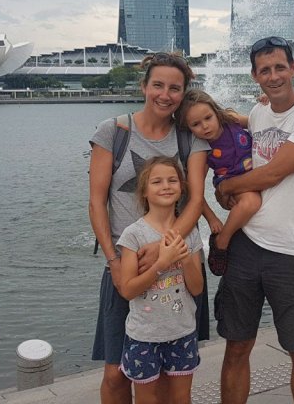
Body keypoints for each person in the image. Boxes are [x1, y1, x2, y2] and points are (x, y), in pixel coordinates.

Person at [213, 36, 294, 404]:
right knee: (236, 345)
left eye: (280, 67)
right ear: (255, 76)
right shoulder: (259, 112)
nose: (274, 76)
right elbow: (240, 124)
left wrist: (225, 187)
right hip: (245, 245)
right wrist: (225, 115)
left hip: (290, 251)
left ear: (293, 69)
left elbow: (272, 174)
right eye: (265, 70)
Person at [88, 52, 211, 404]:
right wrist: (113, 260)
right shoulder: (113, 131)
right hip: (124, 264)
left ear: (183, 92)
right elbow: (97, 202)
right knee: (115, 373)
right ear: (144, 86)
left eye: (175, 88)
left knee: (172, 378)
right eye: (158, 85)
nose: (165, 95)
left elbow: (196, 200)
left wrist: (162, 248)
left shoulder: (189, 138)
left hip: (180, 261)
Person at [116, 156, 204, 404]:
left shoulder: (190, 232)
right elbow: (128, 290)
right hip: (144, 334)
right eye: (156, 182)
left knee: (181, 397)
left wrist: (184, 258)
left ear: (181, 188)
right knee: (147, 399)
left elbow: (197, 288)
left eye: (172, 180)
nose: (166, 186)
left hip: (182, 331)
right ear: (144, 191)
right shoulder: (133, 235)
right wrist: (161, 264)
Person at [176, 88, 261, 274]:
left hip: (257, 175)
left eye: (208, 118)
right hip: (233, 183)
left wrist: (266, 104)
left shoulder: (231, 119)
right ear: (189, 128)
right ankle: (222, 241)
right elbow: (194, 190)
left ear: (216, 112)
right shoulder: (203, 149)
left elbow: (260, 122)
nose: (205, 126)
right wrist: (211, 218)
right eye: (196, 124)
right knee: (251, 202)